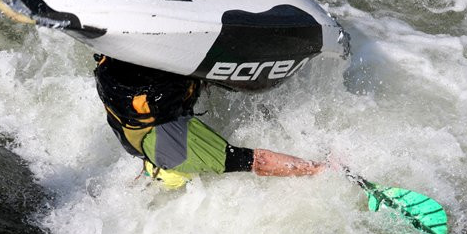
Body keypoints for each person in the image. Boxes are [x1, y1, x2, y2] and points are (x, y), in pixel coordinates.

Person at [94, 55, 326, 188]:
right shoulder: (186, 152)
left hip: (139, 113)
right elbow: (260, 161)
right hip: (141, 122)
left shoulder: (168, 145)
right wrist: (317, 169)